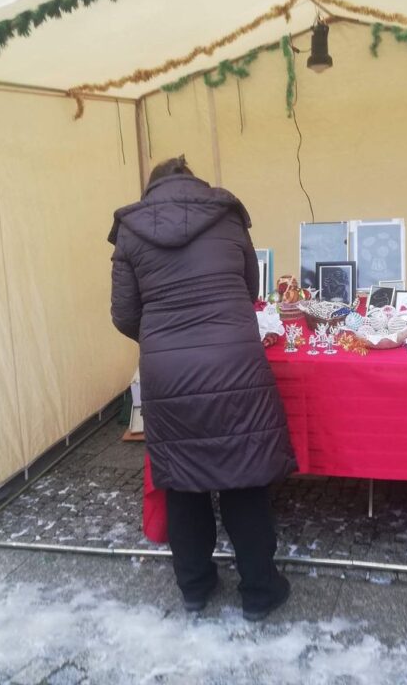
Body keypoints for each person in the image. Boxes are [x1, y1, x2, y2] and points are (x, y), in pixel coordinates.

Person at [109, 156, 295, 621]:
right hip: (234, 362)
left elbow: (124, 314)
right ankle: (259, 591)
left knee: (182, 481)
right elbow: (249, 289)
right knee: (244, 476)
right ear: (193, 181)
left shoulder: (131, 228)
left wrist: (163, 338)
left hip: (168, 372)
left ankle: (194, 587)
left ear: (152, 189)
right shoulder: (226, 214)